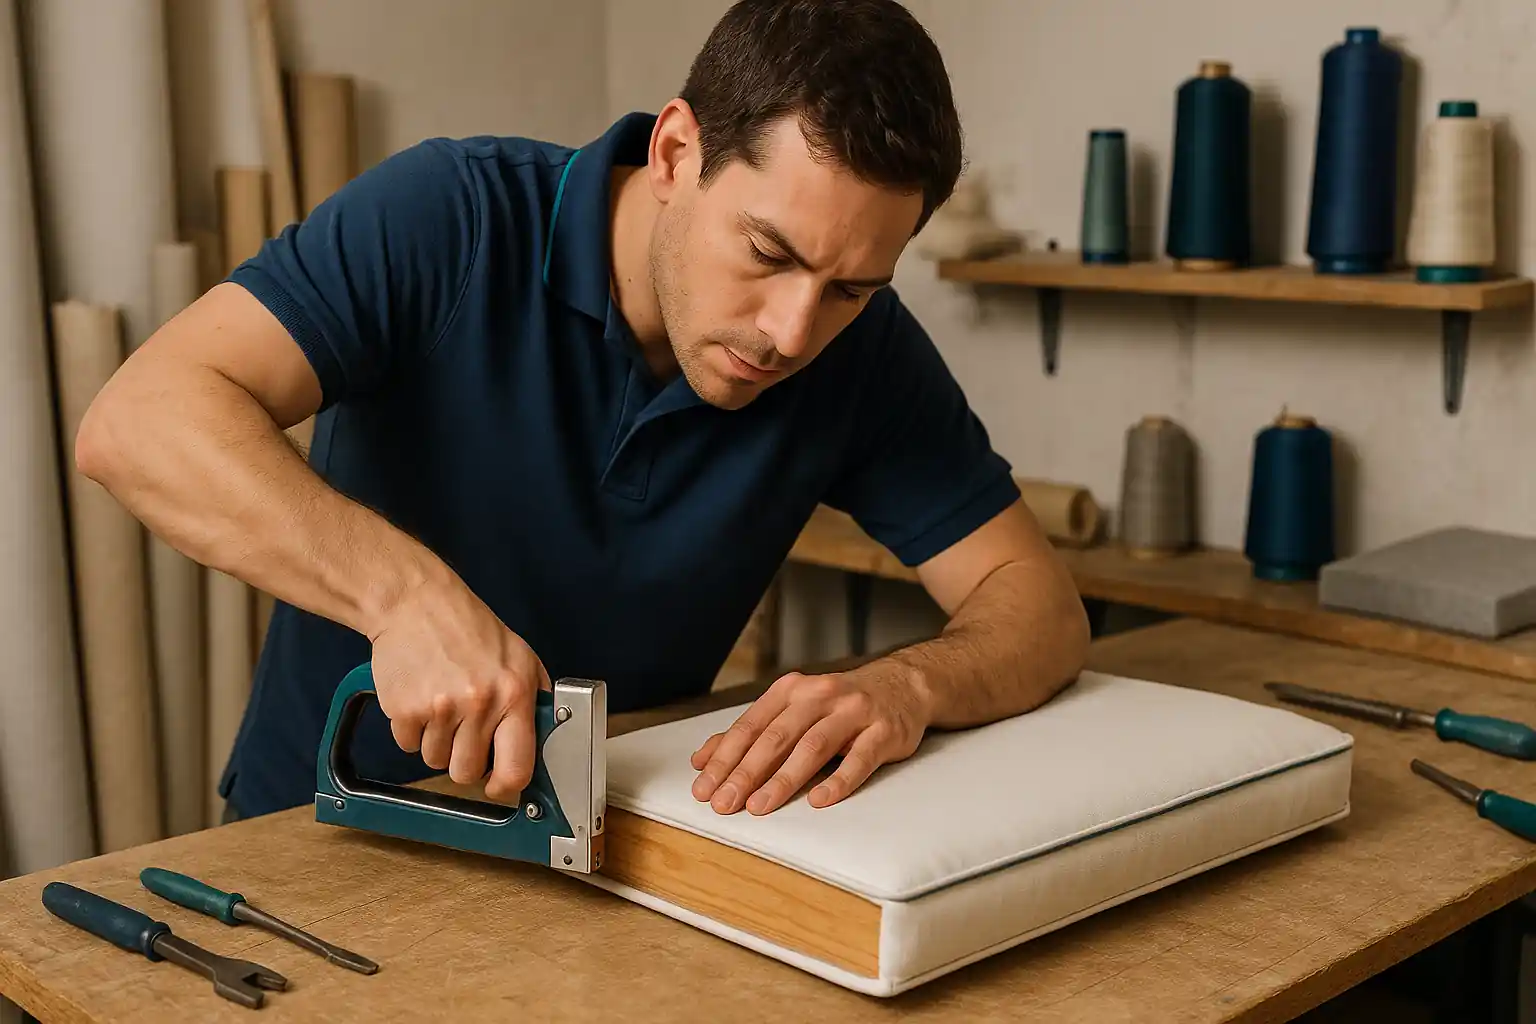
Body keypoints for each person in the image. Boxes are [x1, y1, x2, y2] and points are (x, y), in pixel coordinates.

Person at [76, 0, 1089, 824]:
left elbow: (1037, 606)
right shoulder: (452, 218)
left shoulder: (862, 350)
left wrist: (908, 687)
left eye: (851, 287)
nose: (791, 331)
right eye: (768, 253)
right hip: (312, 837)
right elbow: (140, 418)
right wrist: (405, 599)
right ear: (676, 151)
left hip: (603, 857)